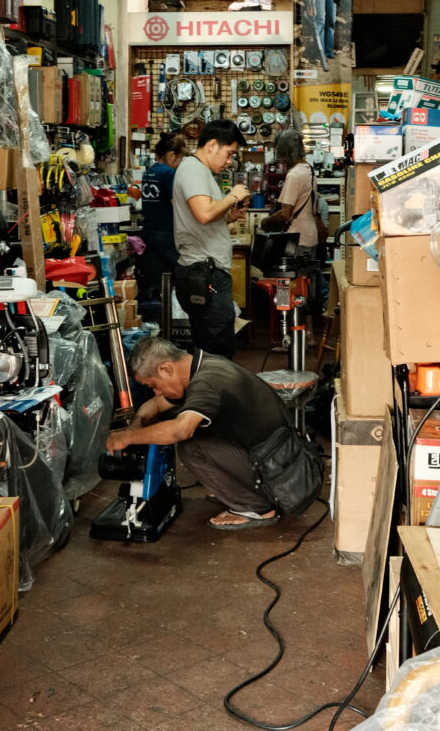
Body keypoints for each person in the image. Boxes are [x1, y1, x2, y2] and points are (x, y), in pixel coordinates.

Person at [105, 335, 291, 530]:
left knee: (192, 446)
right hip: (274, 456)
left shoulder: (207, 381)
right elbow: (155, 405)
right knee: (191, 428)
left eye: (153, 385)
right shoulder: (200, 365)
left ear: (166, 369)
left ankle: (257, 508)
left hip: (279, 471)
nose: (157, 393)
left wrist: (125, 438)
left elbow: (181, 430)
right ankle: (238, 488)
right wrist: (137, 424)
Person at [172, 119, 250, 359]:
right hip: (203, 271)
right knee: (217, 350)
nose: (229, 162)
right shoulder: (193, 169)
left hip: (207, 270)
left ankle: (212, 394)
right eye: (229, 154)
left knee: (214, 343)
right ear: (213, 145)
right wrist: (232, 196)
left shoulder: (199, 170)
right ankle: (213, 396)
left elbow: (202, 220)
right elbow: (204, 214)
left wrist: (228, 217)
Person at [261, 129, 323, 345]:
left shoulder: (294, 175)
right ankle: (309, 334)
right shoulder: (309, 170)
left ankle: (288, 337)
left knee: (289, 289)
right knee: (307, 287)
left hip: (296, 239)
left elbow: (286, 213)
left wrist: (265, 223)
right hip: (310, 235)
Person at [138, 132, 188, 296]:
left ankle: (156, 318)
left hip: (148, 233)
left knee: (155, 281)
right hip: (166, 234)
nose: (180, 163)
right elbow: (177, 205)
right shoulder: (169, 173)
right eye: (180, 158)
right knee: (181, 276)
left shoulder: (149, 172)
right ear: (172, 155)